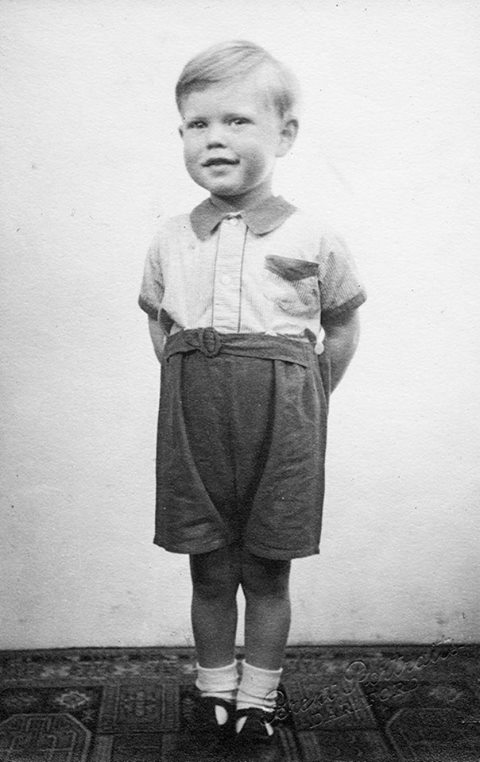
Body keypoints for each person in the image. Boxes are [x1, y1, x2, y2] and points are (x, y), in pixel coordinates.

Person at [138, 40, 366, 753]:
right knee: (208, 565)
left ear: (284, 135)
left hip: (283, 422)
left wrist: (309, 396)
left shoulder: (313, 234)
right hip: (195, 420)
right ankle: (215, 689)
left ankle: (258, 698)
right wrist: (191, 380)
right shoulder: (170, 238)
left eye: (237, 121)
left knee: (267, 567)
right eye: (197, 124)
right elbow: (160, 321)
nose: (214, 138)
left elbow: (341, 324)